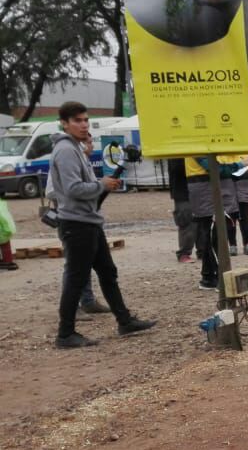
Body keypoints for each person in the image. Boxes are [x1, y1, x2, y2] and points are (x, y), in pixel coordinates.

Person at [48, 101, 155, 348]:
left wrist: (100, 183)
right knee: (76, 278)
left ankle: (124, 321)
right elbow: (74, 189)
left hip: (88, 222)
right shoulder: (65, 150)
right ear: (65, 123)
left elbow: (81, 184)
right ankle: (65, 335)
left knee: (108, 272)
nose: (84, 125)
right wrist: (101, 185)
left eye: (86, 120)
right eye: (77, 120)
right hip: (77, 224)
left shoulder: (75, 148)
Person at [46, 128, 110, 315]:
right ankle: (72, 309)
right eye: (87, 143)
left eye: (91, 143)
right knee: (74, 266)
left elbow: (90, 189)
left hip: (87, 218)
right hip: (70, 218)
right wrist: (94, 188)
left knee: (87, 263)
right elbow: (52, 190)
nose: (90, 147)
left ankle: (88, 301)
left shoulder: (83, 160)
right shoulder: (65, 157)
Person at [185, 154, 240, 289]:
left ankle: (208, 277)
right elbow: (212, 167)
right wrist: (240, 166)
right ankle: (220, 279)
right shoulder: (199, 143)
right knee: (213, 235)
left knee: (210, 234)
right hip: (206, 188)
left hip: (210, 188)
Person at [167, 158, 197, 263]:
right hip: (182, 190)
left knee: (202, 220)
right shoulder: (177, 152)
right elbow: (177, 168)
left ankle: (203, 251)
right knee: (185, 219)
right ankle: (184, 253)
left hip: (196, 187)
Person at [230, 155, 248, 255]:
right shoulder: (227, 155)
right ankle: (232, 245)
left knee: (244, 218)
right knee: (231, 218)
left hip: (244, 189)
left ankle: (247, 244)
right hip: (229, 189)